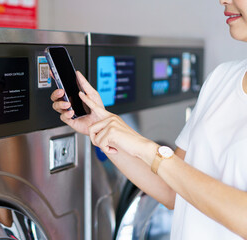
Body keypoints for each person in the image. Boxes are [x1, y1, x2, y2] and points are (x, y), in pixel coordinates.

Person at [50, 0, 247, 239]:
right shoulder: (222, 78)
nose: (223, 0)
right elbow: (172, 190)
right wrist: (101, 129)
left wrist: (150, 151)